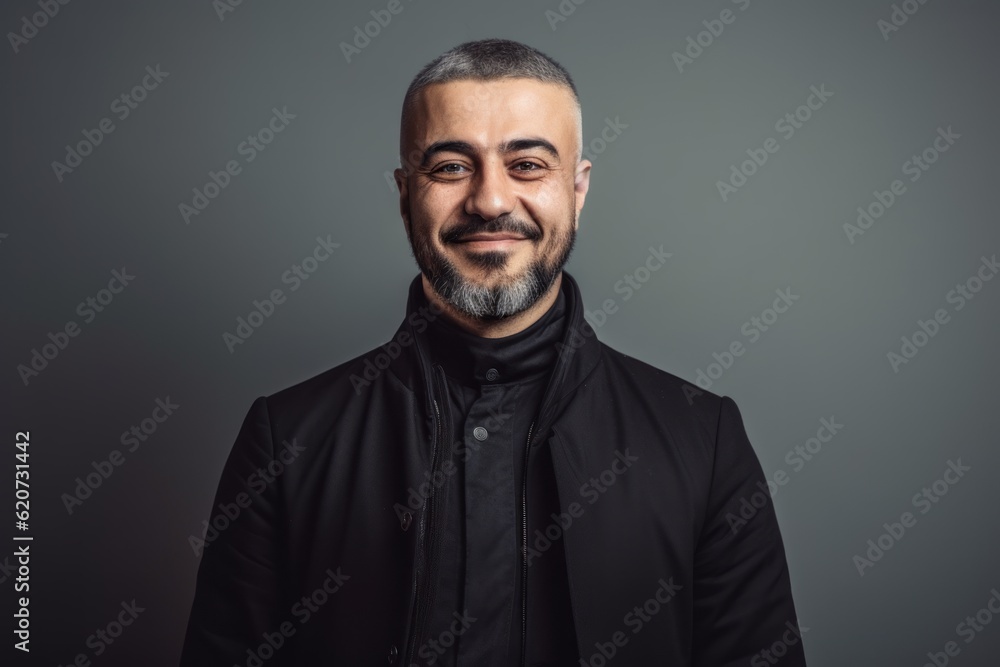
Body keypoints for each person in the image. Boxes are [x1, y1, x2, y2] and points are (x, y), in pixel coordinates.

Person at [180, 38, 807, 667]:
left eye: (528, 164)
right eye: (451, 167)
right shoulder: (287, 440)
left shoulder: (703, 438)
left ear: (578, 187)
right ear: (405, 195)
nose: (490, 200)